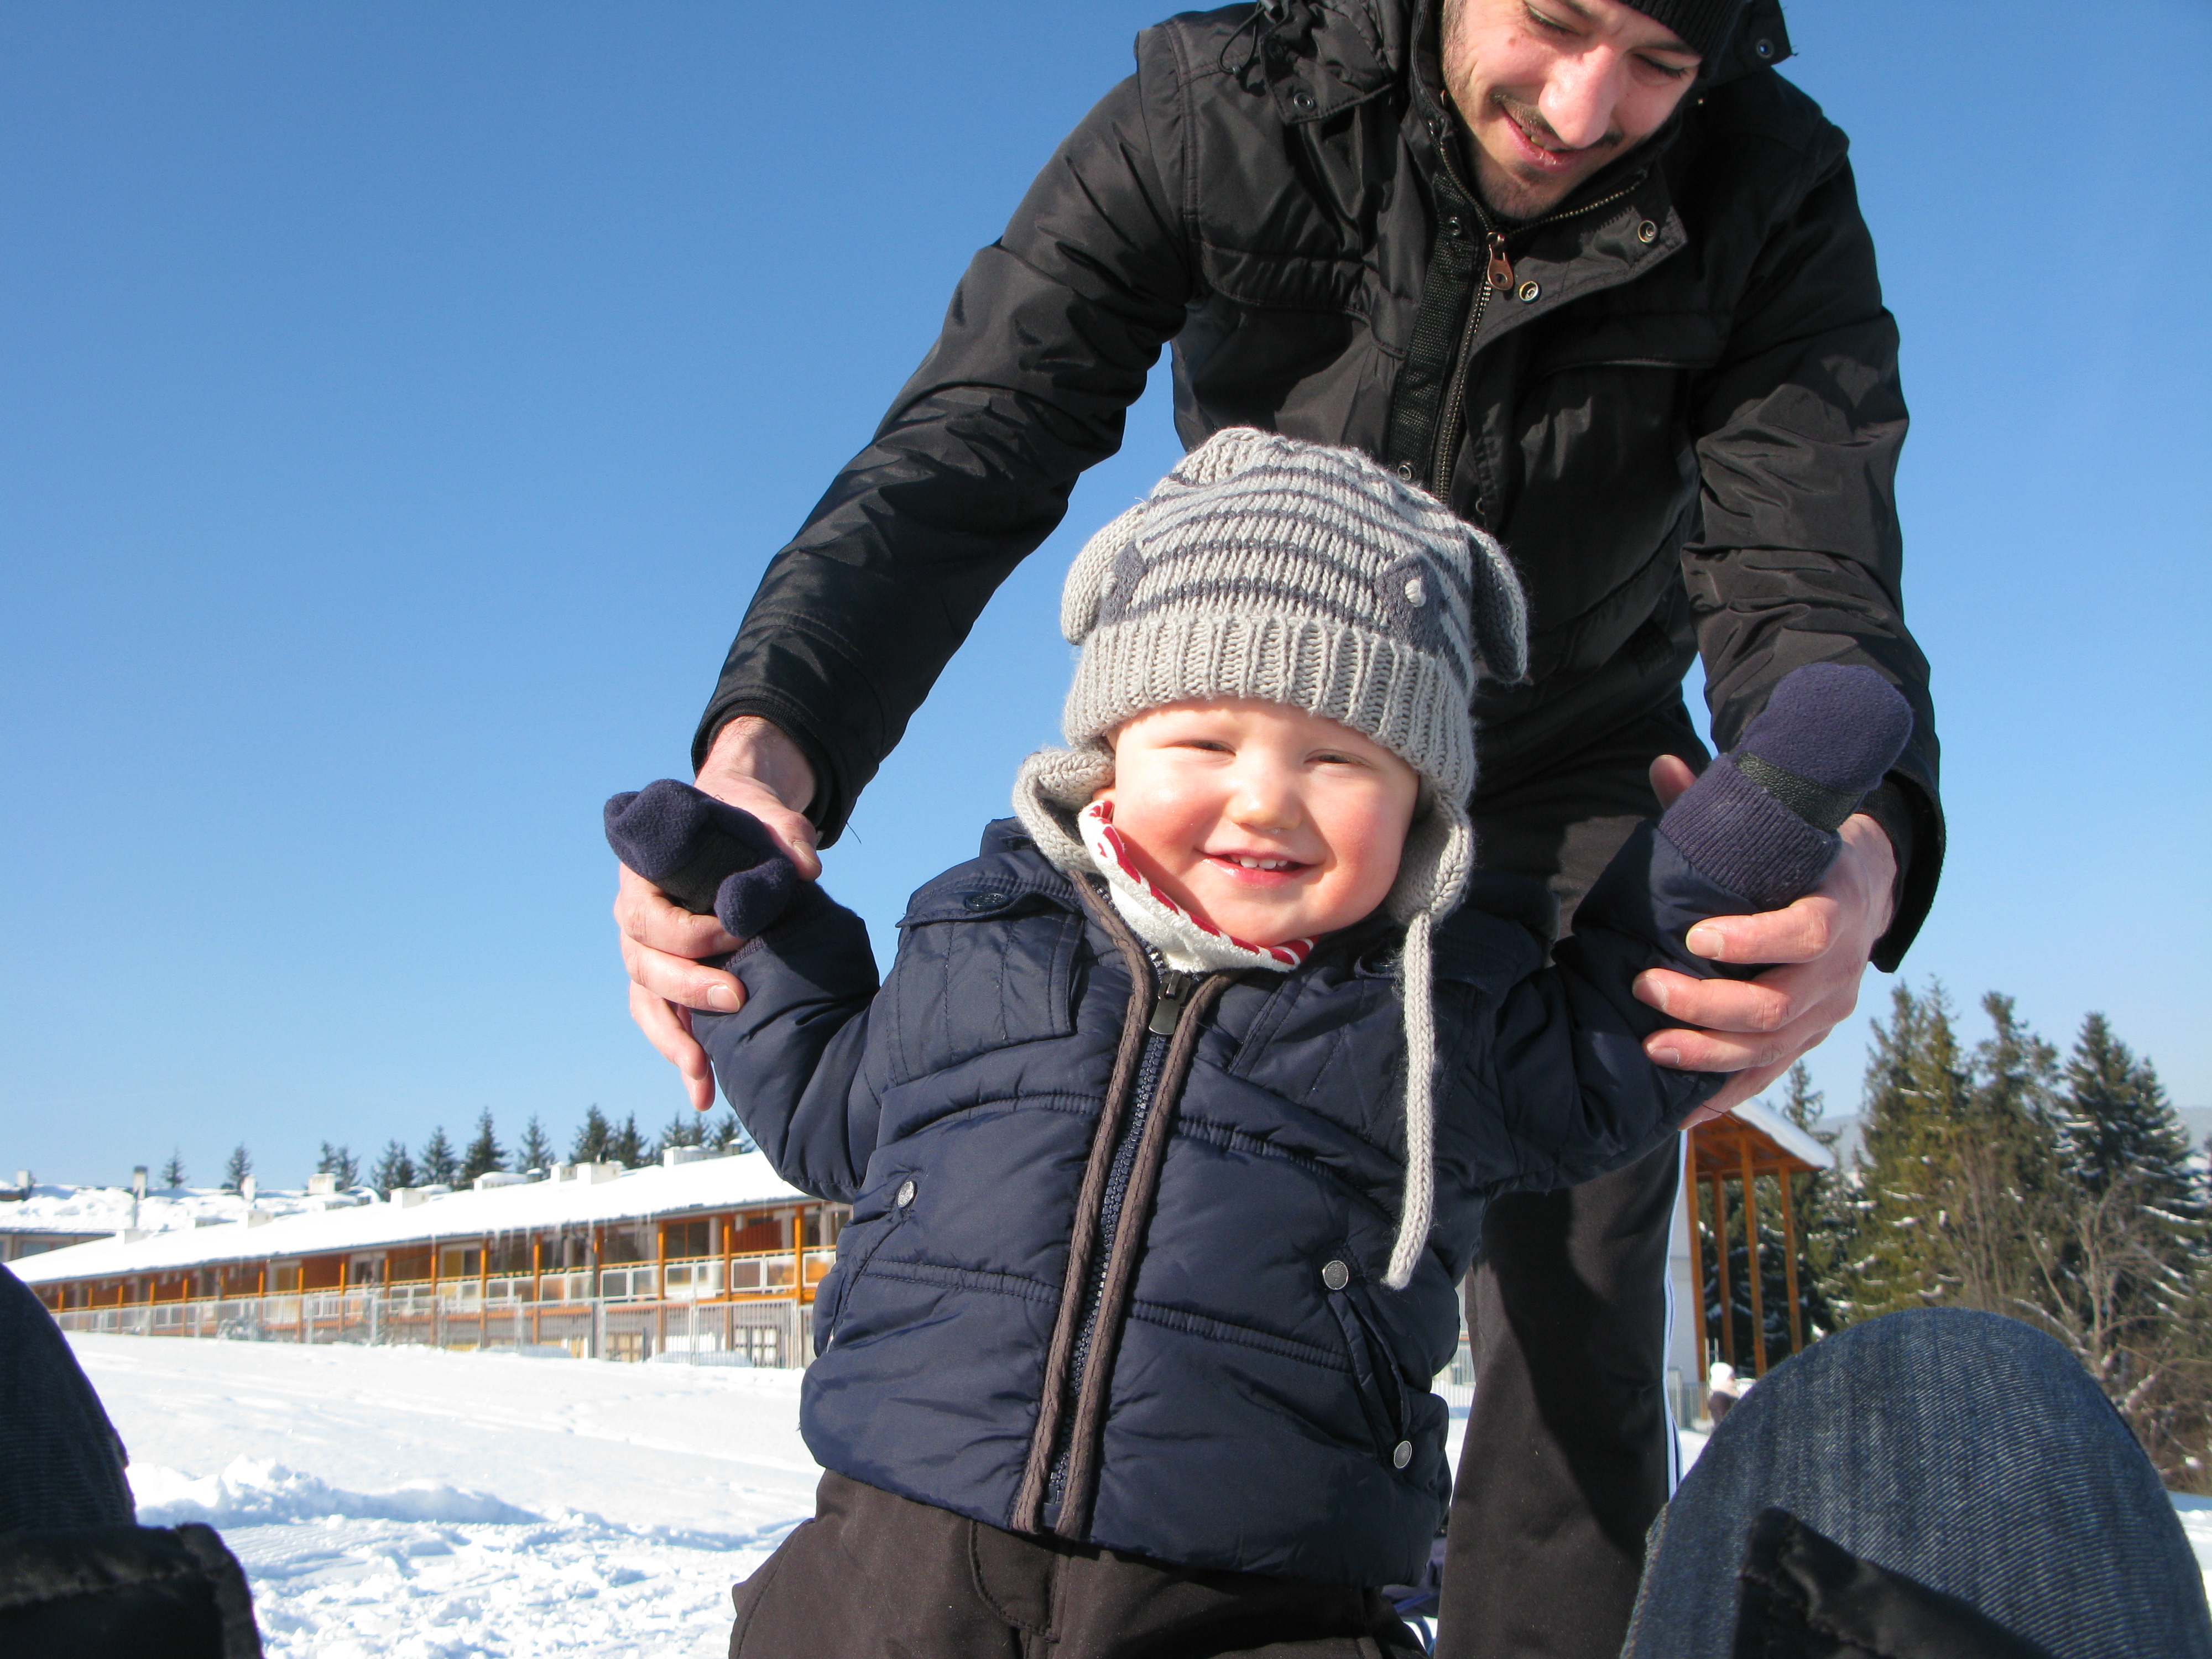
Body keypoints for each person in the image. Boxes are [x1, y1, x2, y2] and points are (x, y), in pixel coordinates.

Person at [613, 2, 1942, 1653]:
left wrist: (1851, 840)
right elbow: (975, 437)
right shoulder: (1229, 105)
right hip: (1238, 694)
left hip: (1574, 770)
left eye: (1662, 62)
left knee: (1577, 1289)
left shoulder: (1770, 184)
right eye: (1553, 19)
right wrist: (768, 754)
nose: (1588, 103)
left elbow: (1809, 565)